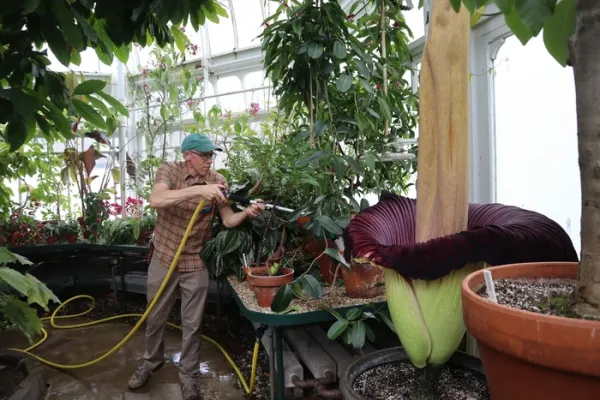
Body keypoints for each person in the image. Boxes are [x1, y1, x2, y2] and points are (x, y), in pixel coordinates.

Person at [128, 133, 264, 400]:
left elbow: (228, 220)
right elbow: (156, 199)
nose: (209, 160)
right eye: (204, 155)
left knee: (192, 323)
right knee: (155, 316)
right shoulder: (169, 171)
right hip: (164, 258)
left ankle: (189, 376)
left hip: (194, 261)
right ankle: (150, 363)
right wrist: (199, 190)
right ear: (187, 155)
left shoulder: (217, 180)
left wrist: (246, 213)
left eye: (211, 155)